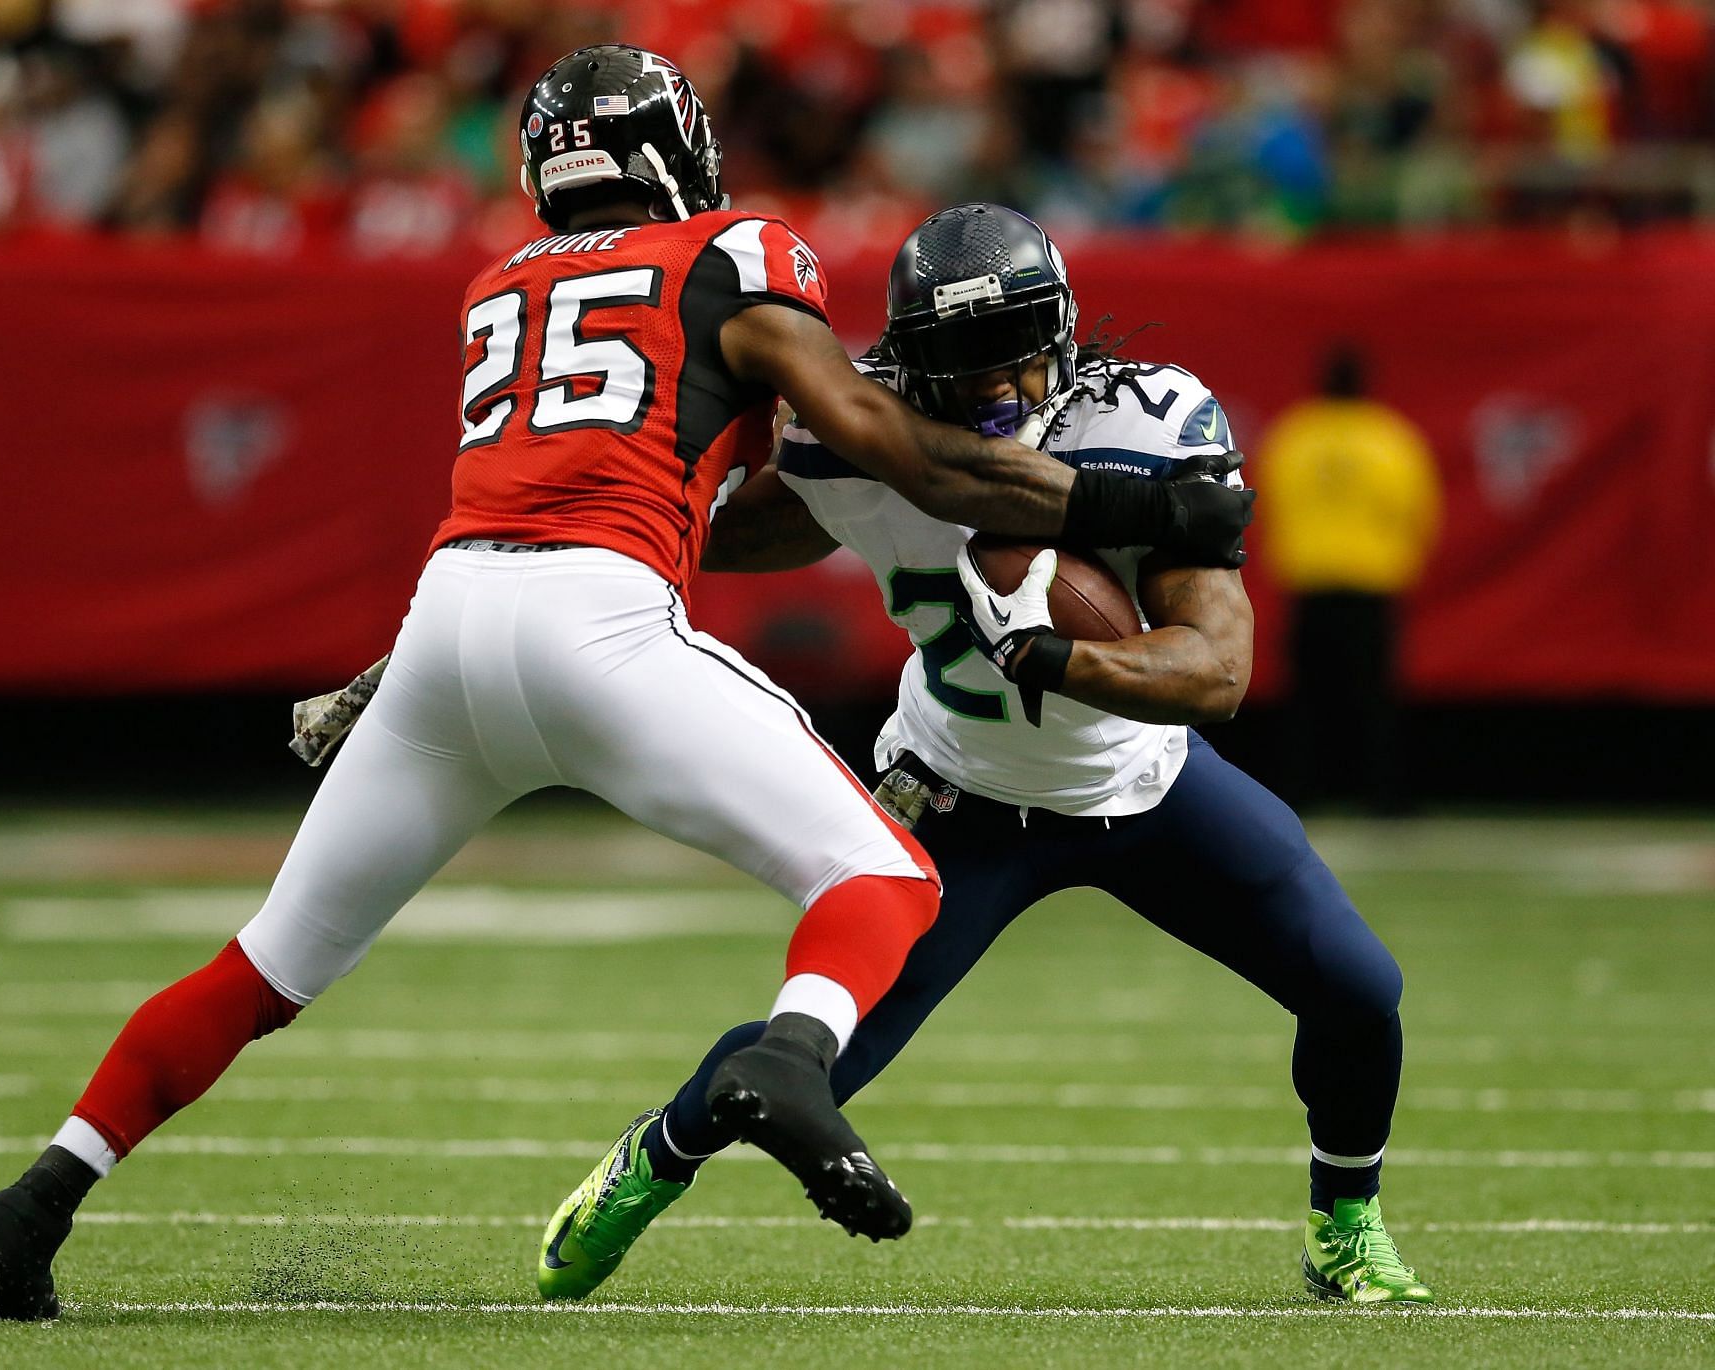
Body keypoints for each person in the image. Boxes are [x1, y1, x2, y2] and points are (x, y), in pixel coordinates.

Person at [0, 52, 1254, 1322]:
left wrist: (384, 671)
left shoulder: (498, 282)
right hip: (597, 621)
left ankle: (39, 1194)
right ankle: (793, 1062)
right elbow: (886, 448)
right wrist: (1128, 494)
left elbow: (551, 478)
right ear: (677, 153)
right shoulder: (731, 254)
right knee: (888, 879)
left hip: (445, 625)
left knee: (262, 968)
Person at [536, 204, 1431, 1307]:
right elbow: (701, 530)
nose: (996, 389)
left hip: (1141, 779)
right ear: (911, 367)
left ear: (1062, 331)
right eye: (960, 367)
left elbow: (1219, 668)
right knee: (816, 1050)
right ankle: (648, 1161)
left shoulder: (1142, 425)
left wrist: (1056, 658)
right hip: (956, 793)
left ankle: (1345, 1223)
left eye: (1013, 356)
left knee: (1357, 987)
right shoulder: (857, 436)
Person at [1259, 342, 1442, 814]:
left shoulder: (1295, 434)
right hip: (1371, 584)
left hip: (1311, 582)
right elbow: (1418, 511)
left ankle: (1298, 792)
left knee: (1305, 701)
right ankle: (1385, 797)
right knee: (1375, 698)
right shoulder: (1390, 438)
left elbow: (1268, 501)